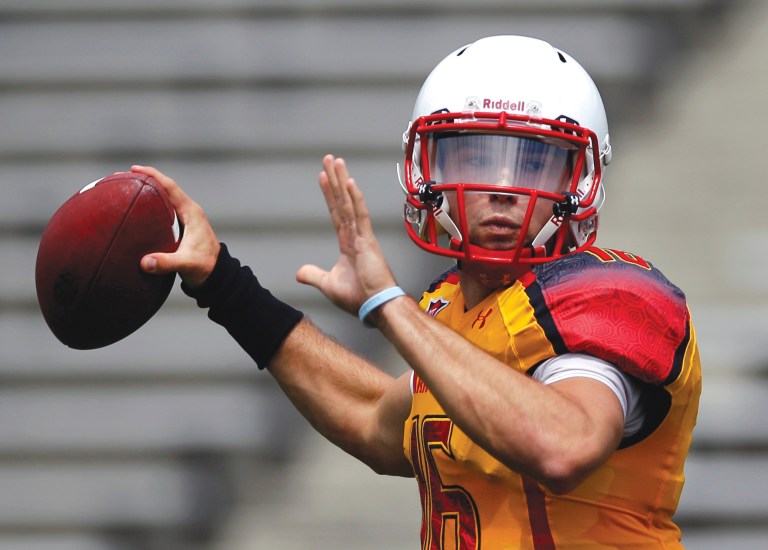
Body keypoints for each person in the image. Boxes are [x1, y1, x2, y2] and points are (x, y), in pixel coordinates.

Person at [134, 35, 701, 549]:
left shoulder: (610, 294)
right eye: (475, 156)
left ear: (579, 179)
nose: (501, 188)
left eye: (533, 160)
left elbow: (564, 445)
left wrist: (389, 305)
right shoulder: (448, 308)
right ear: (424, 168)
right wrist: (223, 283)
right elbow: (374, 421)